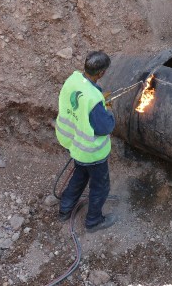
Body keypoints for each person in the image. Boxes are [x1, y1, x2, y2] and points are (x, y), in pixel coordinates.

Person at [55, 51, 117, 233]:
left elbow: (80, 106)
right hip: (92, 152)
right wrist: (108, 113)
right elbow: (104, 128)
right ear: (101, 73)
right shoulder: (93, 99)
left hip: (74, 145)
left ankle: (64, 210)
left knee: (80, 176)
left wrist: (99, 101)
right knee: (100, 186)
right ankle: (94, 221)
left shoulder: (73, 80)